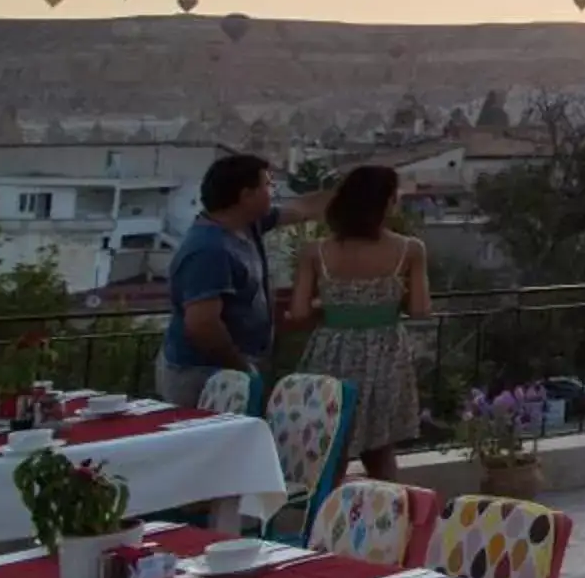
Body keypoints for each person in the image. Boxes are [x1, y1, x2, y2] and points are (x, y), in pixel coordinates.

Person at [289, 164, 431, 480]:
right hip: (385, 354)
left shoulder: (316, 252)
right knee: (380, 450)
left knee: (332, 446)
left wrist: (333, 305)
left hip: (331, 350)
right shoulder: (410, 250)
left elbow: (298, 313)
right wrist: (388, 298)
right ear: (386, 203)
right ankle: (390, 520)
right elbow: (421, 309)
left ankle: (325, 520)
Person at [160, 153, 326, 406]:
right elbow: (202, 324)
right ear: (247, 195)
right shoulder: (209, 249)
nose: (273, 191)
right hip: (203, 375)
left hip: (230, 370)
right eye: (268, 185)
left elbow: (300, 209)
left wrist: (351, 190)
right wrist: (241, 367)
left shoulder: (248, 226)